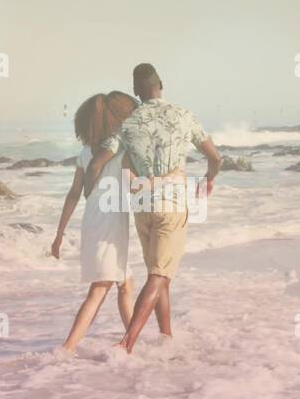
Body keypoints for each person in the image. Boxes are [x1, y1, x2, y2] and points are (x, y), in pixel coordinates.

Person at [84, 63, 222, 353]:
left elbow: (97, 163)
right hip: (172, 204)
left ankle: (166, 339)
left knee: (160, 277)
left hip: (143, 206)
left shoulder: (128, 123)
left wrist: (92, 199)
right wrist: (208, 180)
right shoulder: (185, 116)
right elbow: (216, 158)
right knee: (159, 275)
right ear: (162, 84)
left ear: (136, 90)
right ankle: (127, 343)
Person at [51, 91, 140, 352]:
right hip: (109, 222)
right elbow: (133, 185)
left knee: (126, 284)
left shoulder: (86, 151)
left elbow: (73, 194)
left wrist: (59, 235)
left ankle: (131, 343)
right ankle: (66, 350)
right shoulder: (119, 148)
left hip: (95, 219)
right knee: (99, 289)